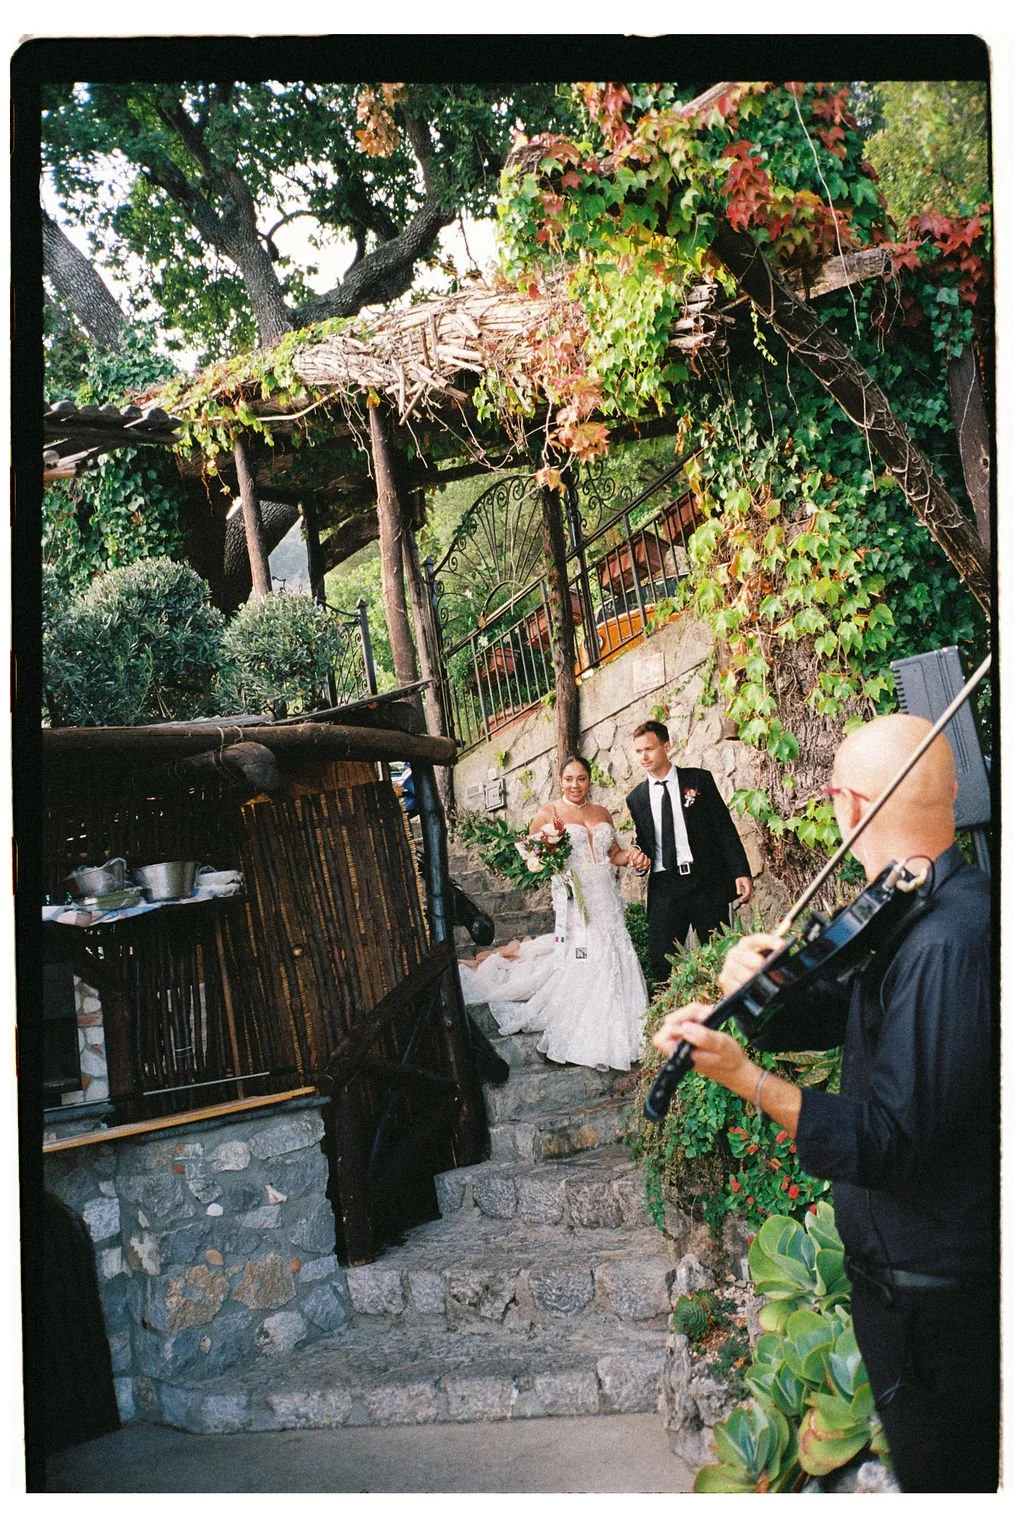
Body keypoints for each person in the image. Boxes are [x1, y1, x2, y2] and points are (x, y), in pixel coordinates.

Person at [650, 714, 997, 1493]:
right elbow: (845, 1009)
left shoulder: (947, 940)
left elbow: (891, 1140)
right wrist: (755, 991)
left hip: (935, 1308)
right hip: (903, 1296)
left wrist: (748, 1080)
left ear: (851, 806)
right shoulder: (918, 903)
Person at [458, 755, 650, 1071]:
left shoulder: (602, 813)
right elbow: (530, 859)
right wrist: (550, 866)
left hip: (606, 898)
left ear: (590, 780)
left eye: (582, 778)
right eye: (569, 779)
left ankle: (627, 1034)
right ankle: (583, 1038)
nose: (575, 785)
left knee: (617, 953)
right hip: (575, 901)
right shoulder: (548, 814)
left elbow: (614, 854)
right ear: (560, 780)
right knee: (587, 957)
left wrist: (633, 857)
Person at [626, 720, 752, 983]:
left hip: (704, 880)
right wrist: (638, 855)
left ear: (666, 746)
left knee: (718, 954)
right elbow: (645, 840)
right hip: (665, 886)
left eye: (649, 749)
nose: (643, 757)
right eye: (638, 751)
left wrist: (740, 871)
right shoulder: (636, 798)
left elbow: (723, 828)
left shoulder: (698, 780)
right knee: (662, 961)